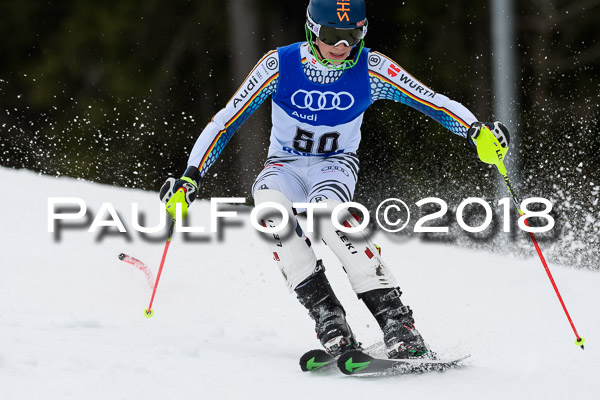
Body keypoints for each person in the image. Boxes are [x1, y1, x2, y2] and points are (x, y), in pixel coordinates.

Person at [159, 0, 510, 359]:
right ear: (312, 30)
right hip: (285, 165)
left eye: (352, 35)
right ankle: (328, 316)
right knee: (269, 210)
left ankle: (397, 322)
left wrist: (475, 131)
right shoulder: (279, 64)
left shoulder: (371, 67)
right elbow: (226, 120)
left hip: (334, 164)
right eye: (332, 35)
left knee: (325, 213)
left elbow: (431, 101)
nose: (342, 46)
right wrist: (191, 177)